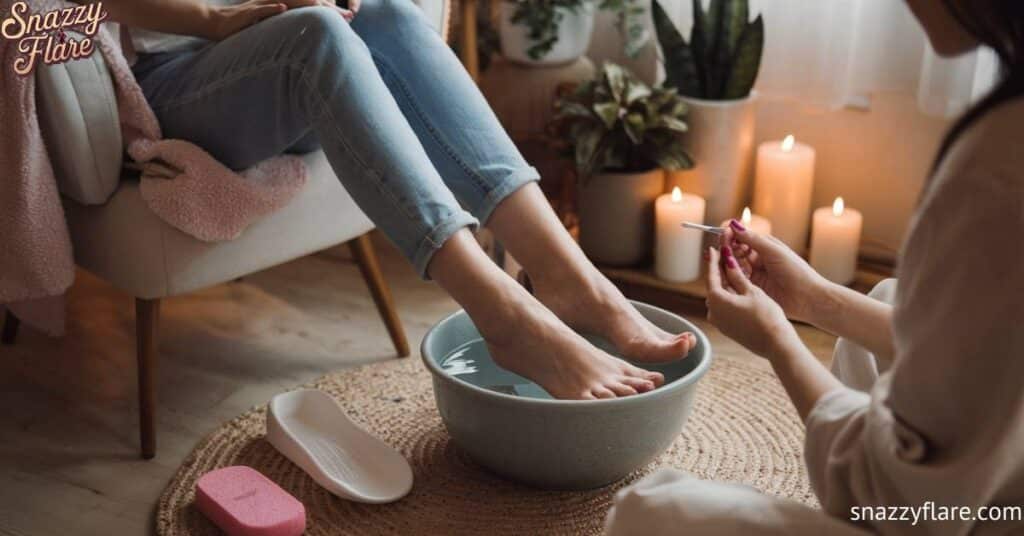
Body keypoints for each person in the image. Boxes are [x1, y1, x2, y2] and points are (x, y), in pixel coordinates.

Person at [99, 0, 696, 400]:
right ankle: (504, 314)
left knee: (387, 14)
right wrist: (215, 18)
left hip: (272, 45)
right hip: (176, 77)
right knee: (319, 34)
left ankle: (570, 276)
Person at [605, 1, 1024, 534]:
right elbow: (980, 351)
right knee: (888, 302)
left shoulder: (997, 174)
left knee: (652, 513)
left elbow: (904, 500)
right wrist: (813, 300)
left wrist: (778, 339)